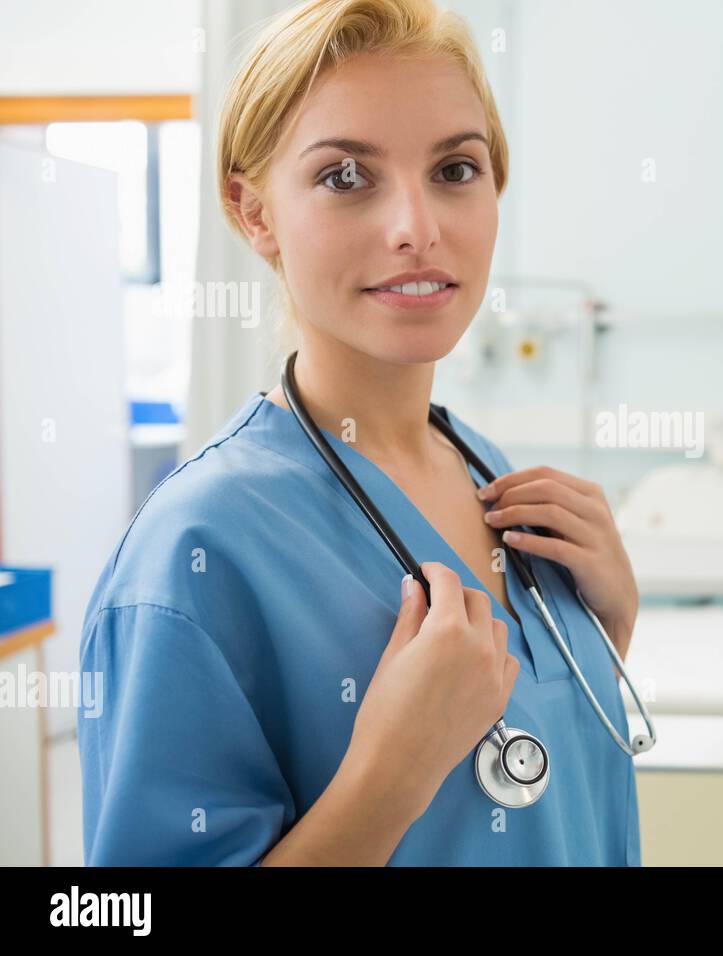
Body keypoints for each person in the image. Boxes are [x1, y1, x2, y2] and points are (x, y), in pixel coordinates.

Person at [78, 0, 642, 866]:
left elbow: (535, 795)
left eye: (456, 168)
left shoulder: (491, 476)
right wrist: (391, 775)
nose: (417, 227)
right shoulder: (195, 554)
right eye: (347, 176)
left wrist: (607, 630)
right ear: (253, 211)